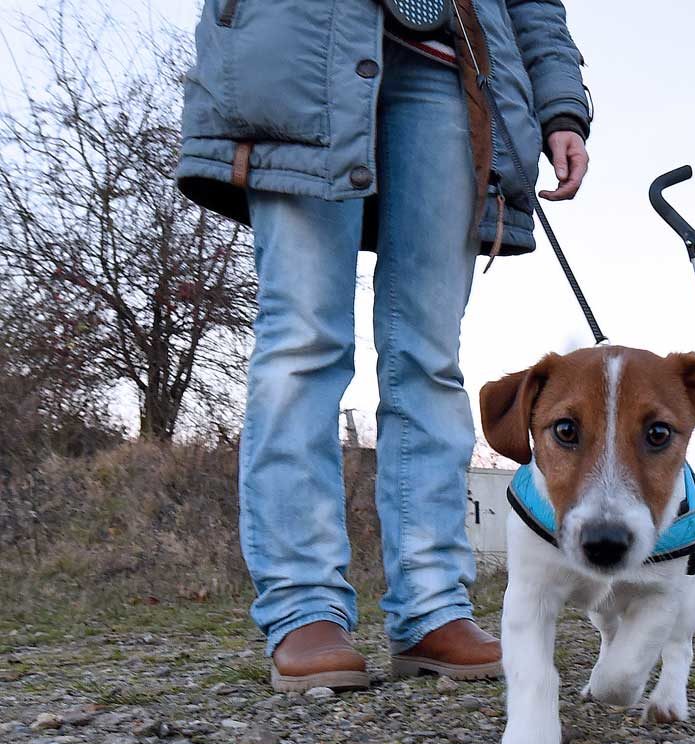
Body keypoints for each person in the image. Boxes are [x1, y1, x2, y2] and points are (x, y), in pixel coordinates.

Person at [176, 0, 592, 690]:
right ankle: (302, 609)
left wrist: (560, 107)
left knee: (429, 357)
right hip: (298, 43)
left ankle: (432, 607)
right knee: (302, 340)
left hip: (450, 67)